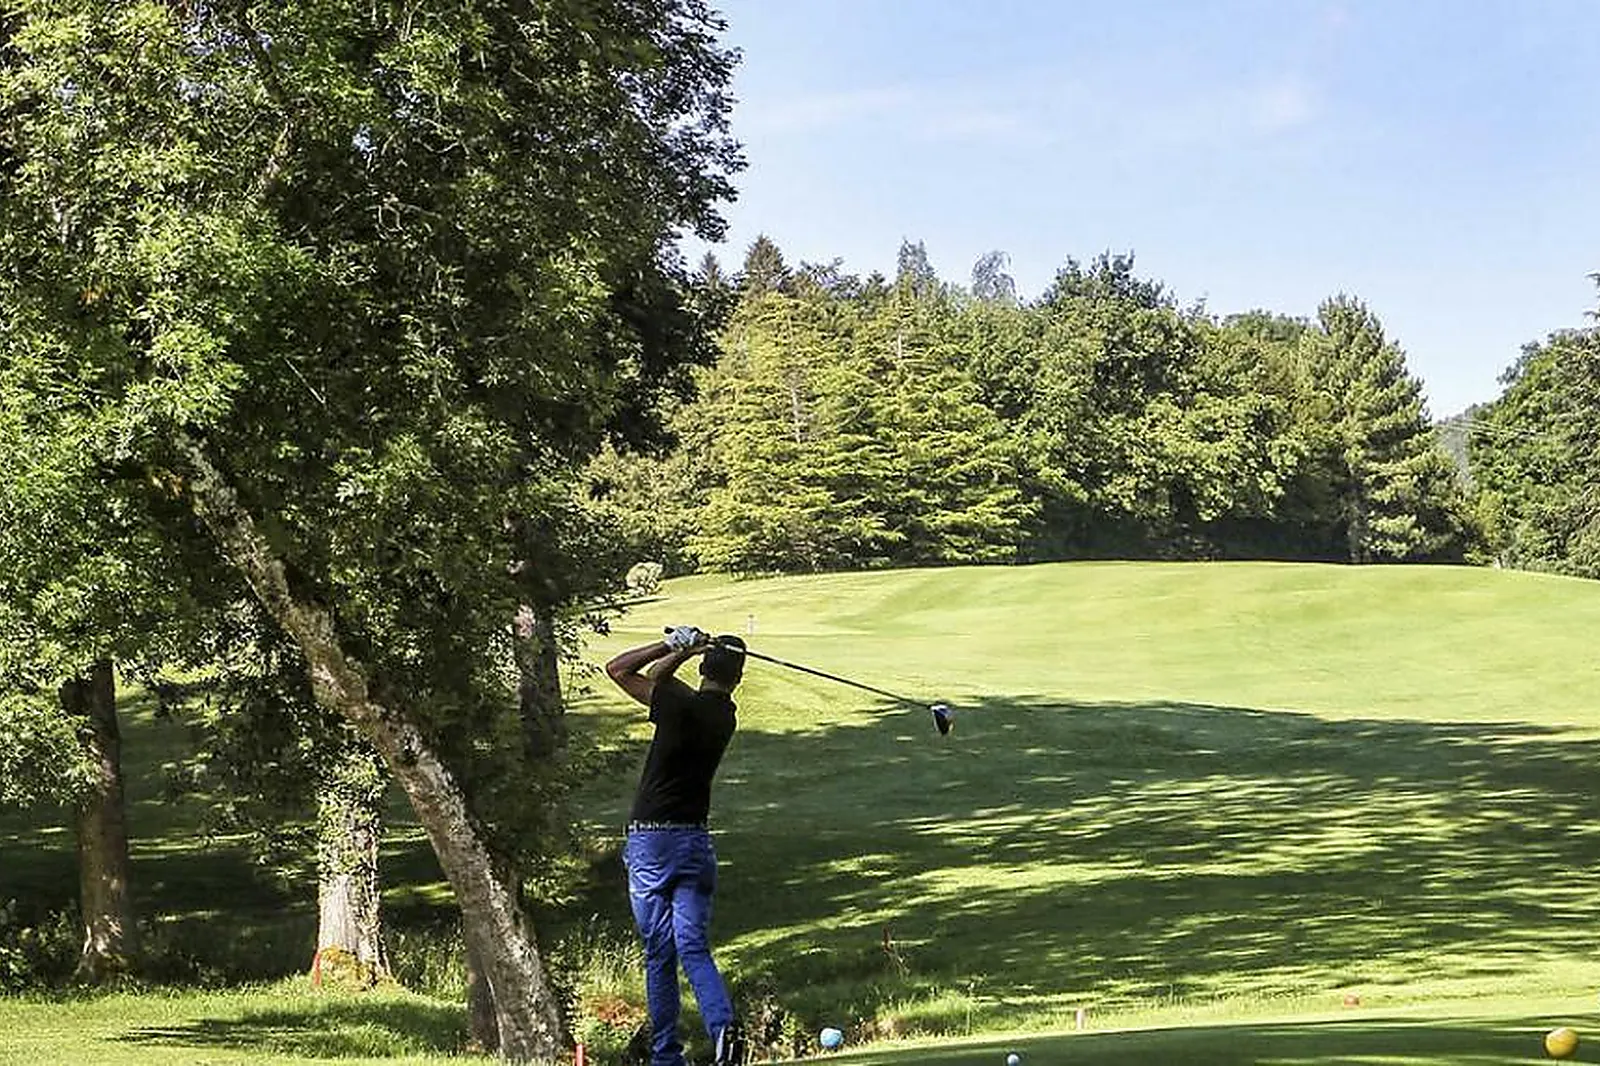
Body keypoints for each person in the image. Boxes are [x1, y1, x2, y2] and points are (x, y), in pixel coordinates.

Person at [606, 625, 747, 1066]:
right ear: (737, 679)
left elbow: (620, 669)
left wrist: (676, 646)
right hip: (695, 843)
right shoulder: (725, 715)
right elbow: (663, 683)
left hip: (653, 841)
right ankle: (724, 1030)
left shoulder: (678, 704)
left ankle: (666, 1055)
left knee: (659, 952)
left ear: (705, 666)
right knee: (692, 946)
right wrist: (689, 651)